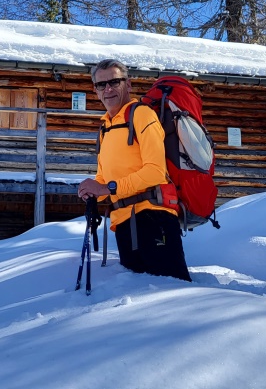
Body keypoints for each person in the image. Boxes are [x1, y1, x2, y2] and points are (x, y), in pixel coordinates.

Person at [77, 58, 192, 282]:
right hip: (122, 222)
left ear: (128, 84)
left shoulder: (141, 115)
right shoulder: (105, 127)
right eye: (101, 84)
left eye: (114, 82)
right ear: (95, 90)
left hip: (153, 216)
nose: (108, 89)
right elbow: (104, 178)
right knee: (138, 292)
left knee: (170, 290)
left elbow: (155, 171)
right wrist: (92, 189)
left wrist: (106, 188)